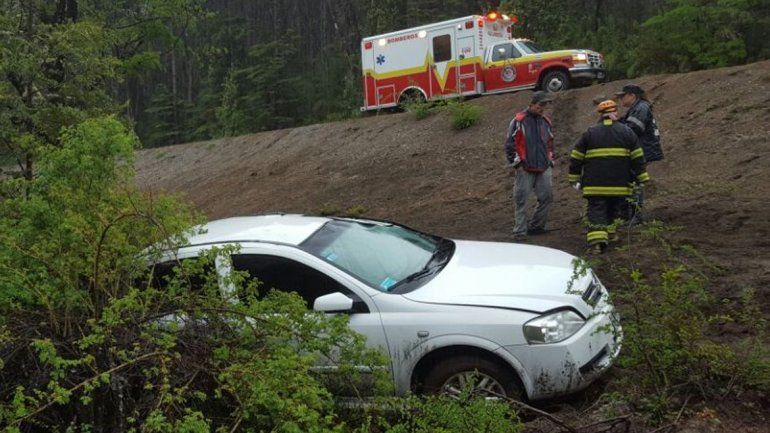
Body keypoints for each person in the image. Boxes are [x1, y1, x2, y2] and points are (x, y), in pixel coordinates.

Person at [568, 100, 650, 253]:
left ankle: (597, 243)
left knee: (596, 210)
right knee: (614, 208)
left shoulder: (590, 133)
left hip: (595, 185)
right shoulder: (627, 132)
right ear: (615, 113)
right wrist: (642, 177)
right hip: (619, 184)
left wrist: (574, 178)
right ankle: (611, 234)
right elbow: (638, 157)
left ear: (600, 115)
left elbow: (576, 157)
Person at [504, 91, 555, 241]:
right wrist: (517, 164)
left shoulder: (546, 122)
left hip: (543, 166)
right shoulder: (519, 120)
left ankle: (536, 226)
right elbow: (510, 144)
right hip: (525, 167)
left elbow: (550, 143)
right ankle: (519, 232)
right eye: (540, 105)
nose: (543, 108)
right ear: (532, 104)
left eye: (545, 105)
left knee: (547, 197)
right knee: (521, 200)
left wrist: (550, 160)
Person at [615, 84, 663, 222]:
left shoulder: (641, 108)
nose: (621, 99)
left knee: (635, 181)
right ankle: (628, 213)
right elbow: (627, 123)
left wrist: (614, 129)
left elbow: (633, 129)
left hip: (642, 150)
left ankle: (635, 215)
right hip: (642, 149)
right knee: (630, 180)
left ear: (632, 95)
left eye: (623, 96)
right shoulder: (637, 108)